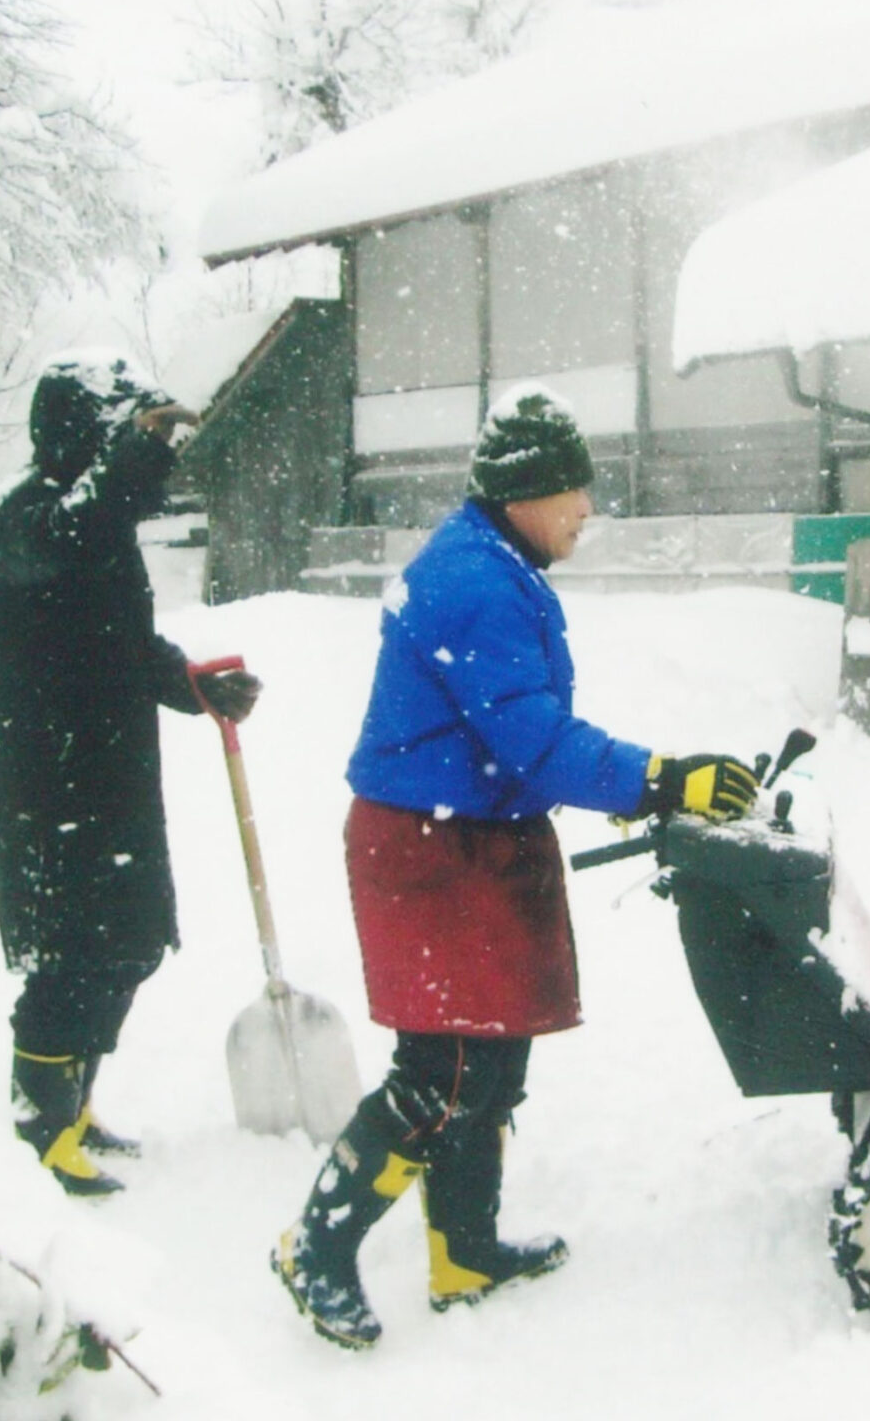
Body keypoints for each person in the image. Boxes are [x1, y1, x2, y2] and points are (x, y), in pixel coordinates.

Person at [273, 386, 760, 1350]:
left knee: (489, 1059)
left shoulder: (495, 562)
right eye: (574, 489)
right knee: (443, 1071)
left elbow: (522, 742)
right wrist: (662, 780)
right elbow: (533, 740)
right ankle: (313, 1249)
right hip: (429, 849)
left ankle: (464, 1251)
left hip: (473, 839)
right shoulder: (475, 581)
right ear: (526, 492)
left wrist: (655, 783)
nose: (588, 508)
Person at [0, 356, 261, 1197]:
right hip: (43, 784)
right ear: (79, 436)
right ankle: (39, 1126)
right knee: (70, 953)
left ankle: (74, 1102)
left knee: (128, 944)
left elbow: (124, 642)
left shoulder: (93, 525)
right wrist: (132, 452)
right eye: (118, 435)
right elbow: (80, 527)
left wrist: (193, 683)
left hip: (105, 769)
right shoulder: (25, 521)